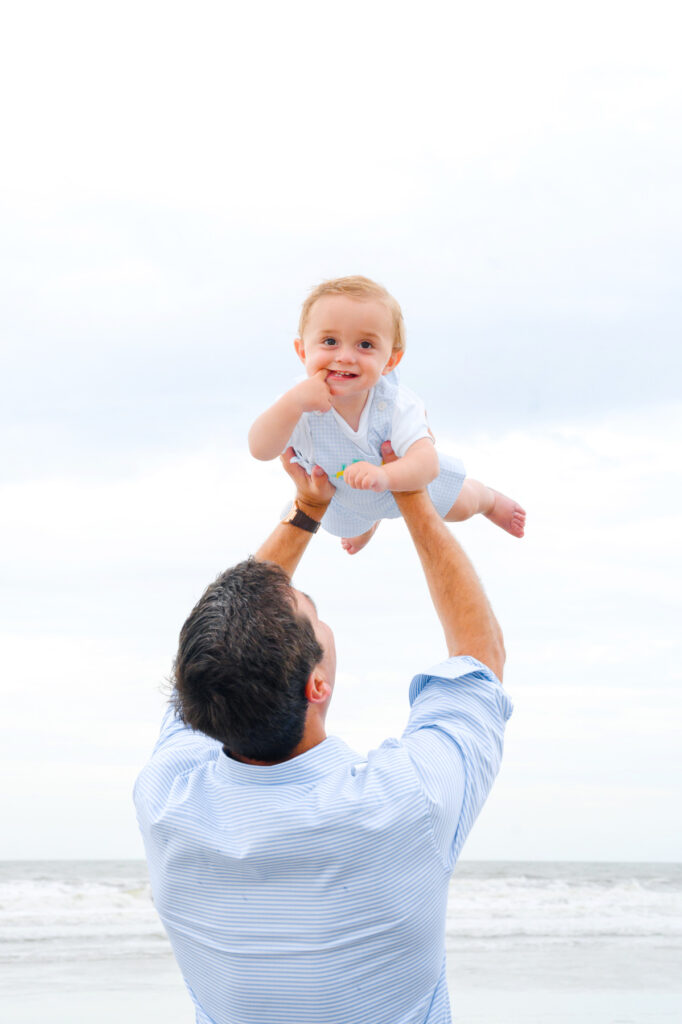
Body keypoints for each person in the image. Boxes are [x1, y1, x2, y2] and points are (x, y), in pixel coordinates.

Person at [134, 446, 513, 1024]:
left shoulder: (167, 797)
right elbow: (478, 660)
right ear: (317, 686)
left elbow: (211, 659)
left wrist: (308, 509)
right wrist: (412, 493)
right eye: (313, 614)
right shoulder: (405, 802)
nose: (317, 608)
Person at [249, 275, 526, 553]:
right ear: (302, 351)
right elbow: (260, 449)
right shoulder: (297, 405)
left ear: (390, 361)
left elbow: (426, 463)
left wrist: (387, 477)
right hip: (346, 500)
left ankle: (489, 500)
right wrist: (293, 403)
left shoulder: (394, 404)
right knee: (342, 528)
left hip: (409, 482)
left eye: (365, 345)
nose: (345, 356)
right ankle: (369, 525)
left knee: (463, 506)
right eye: (330, 341)